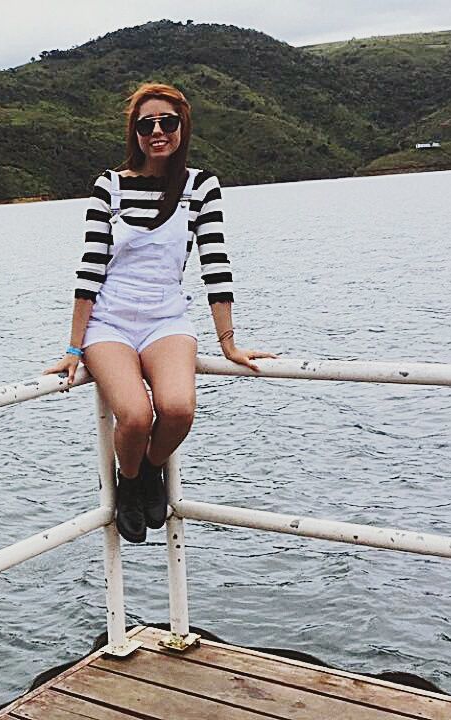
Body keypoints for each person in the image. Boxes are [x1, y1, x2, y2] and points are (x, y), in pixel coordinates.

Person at [44, 83, 275, 544]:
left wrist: (228, 342)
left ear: (182, 127)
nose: (157, 132)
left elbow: (215, 263)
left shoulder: (200, 186)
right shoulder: (109, 185)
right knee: (132, 415)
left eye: (167, 122)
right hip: (109, 323)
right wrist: (73, 346)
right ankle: (129, 483)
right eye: (145, 124)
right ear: (134, 132)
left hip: (167, 319)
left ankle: (150, 470)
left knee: (177, 409)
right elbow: (89, 269)